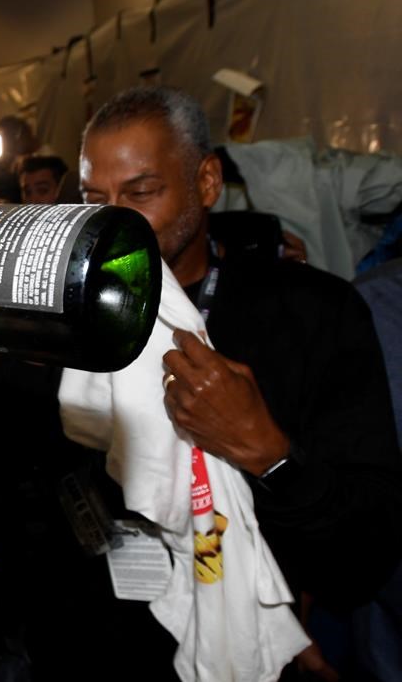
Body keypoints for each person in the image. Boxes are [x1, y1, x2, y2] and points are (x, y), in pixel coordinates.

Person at [79, 86, 402, 675]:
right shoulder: (72, 316)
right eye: (93, 197)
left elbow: (368, 548)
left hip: (266, 642)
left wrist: (267, 450)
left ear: (206, 182)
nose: (114, 220)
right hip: (109, 642)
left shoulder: (314, 311)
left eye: (142, 192)